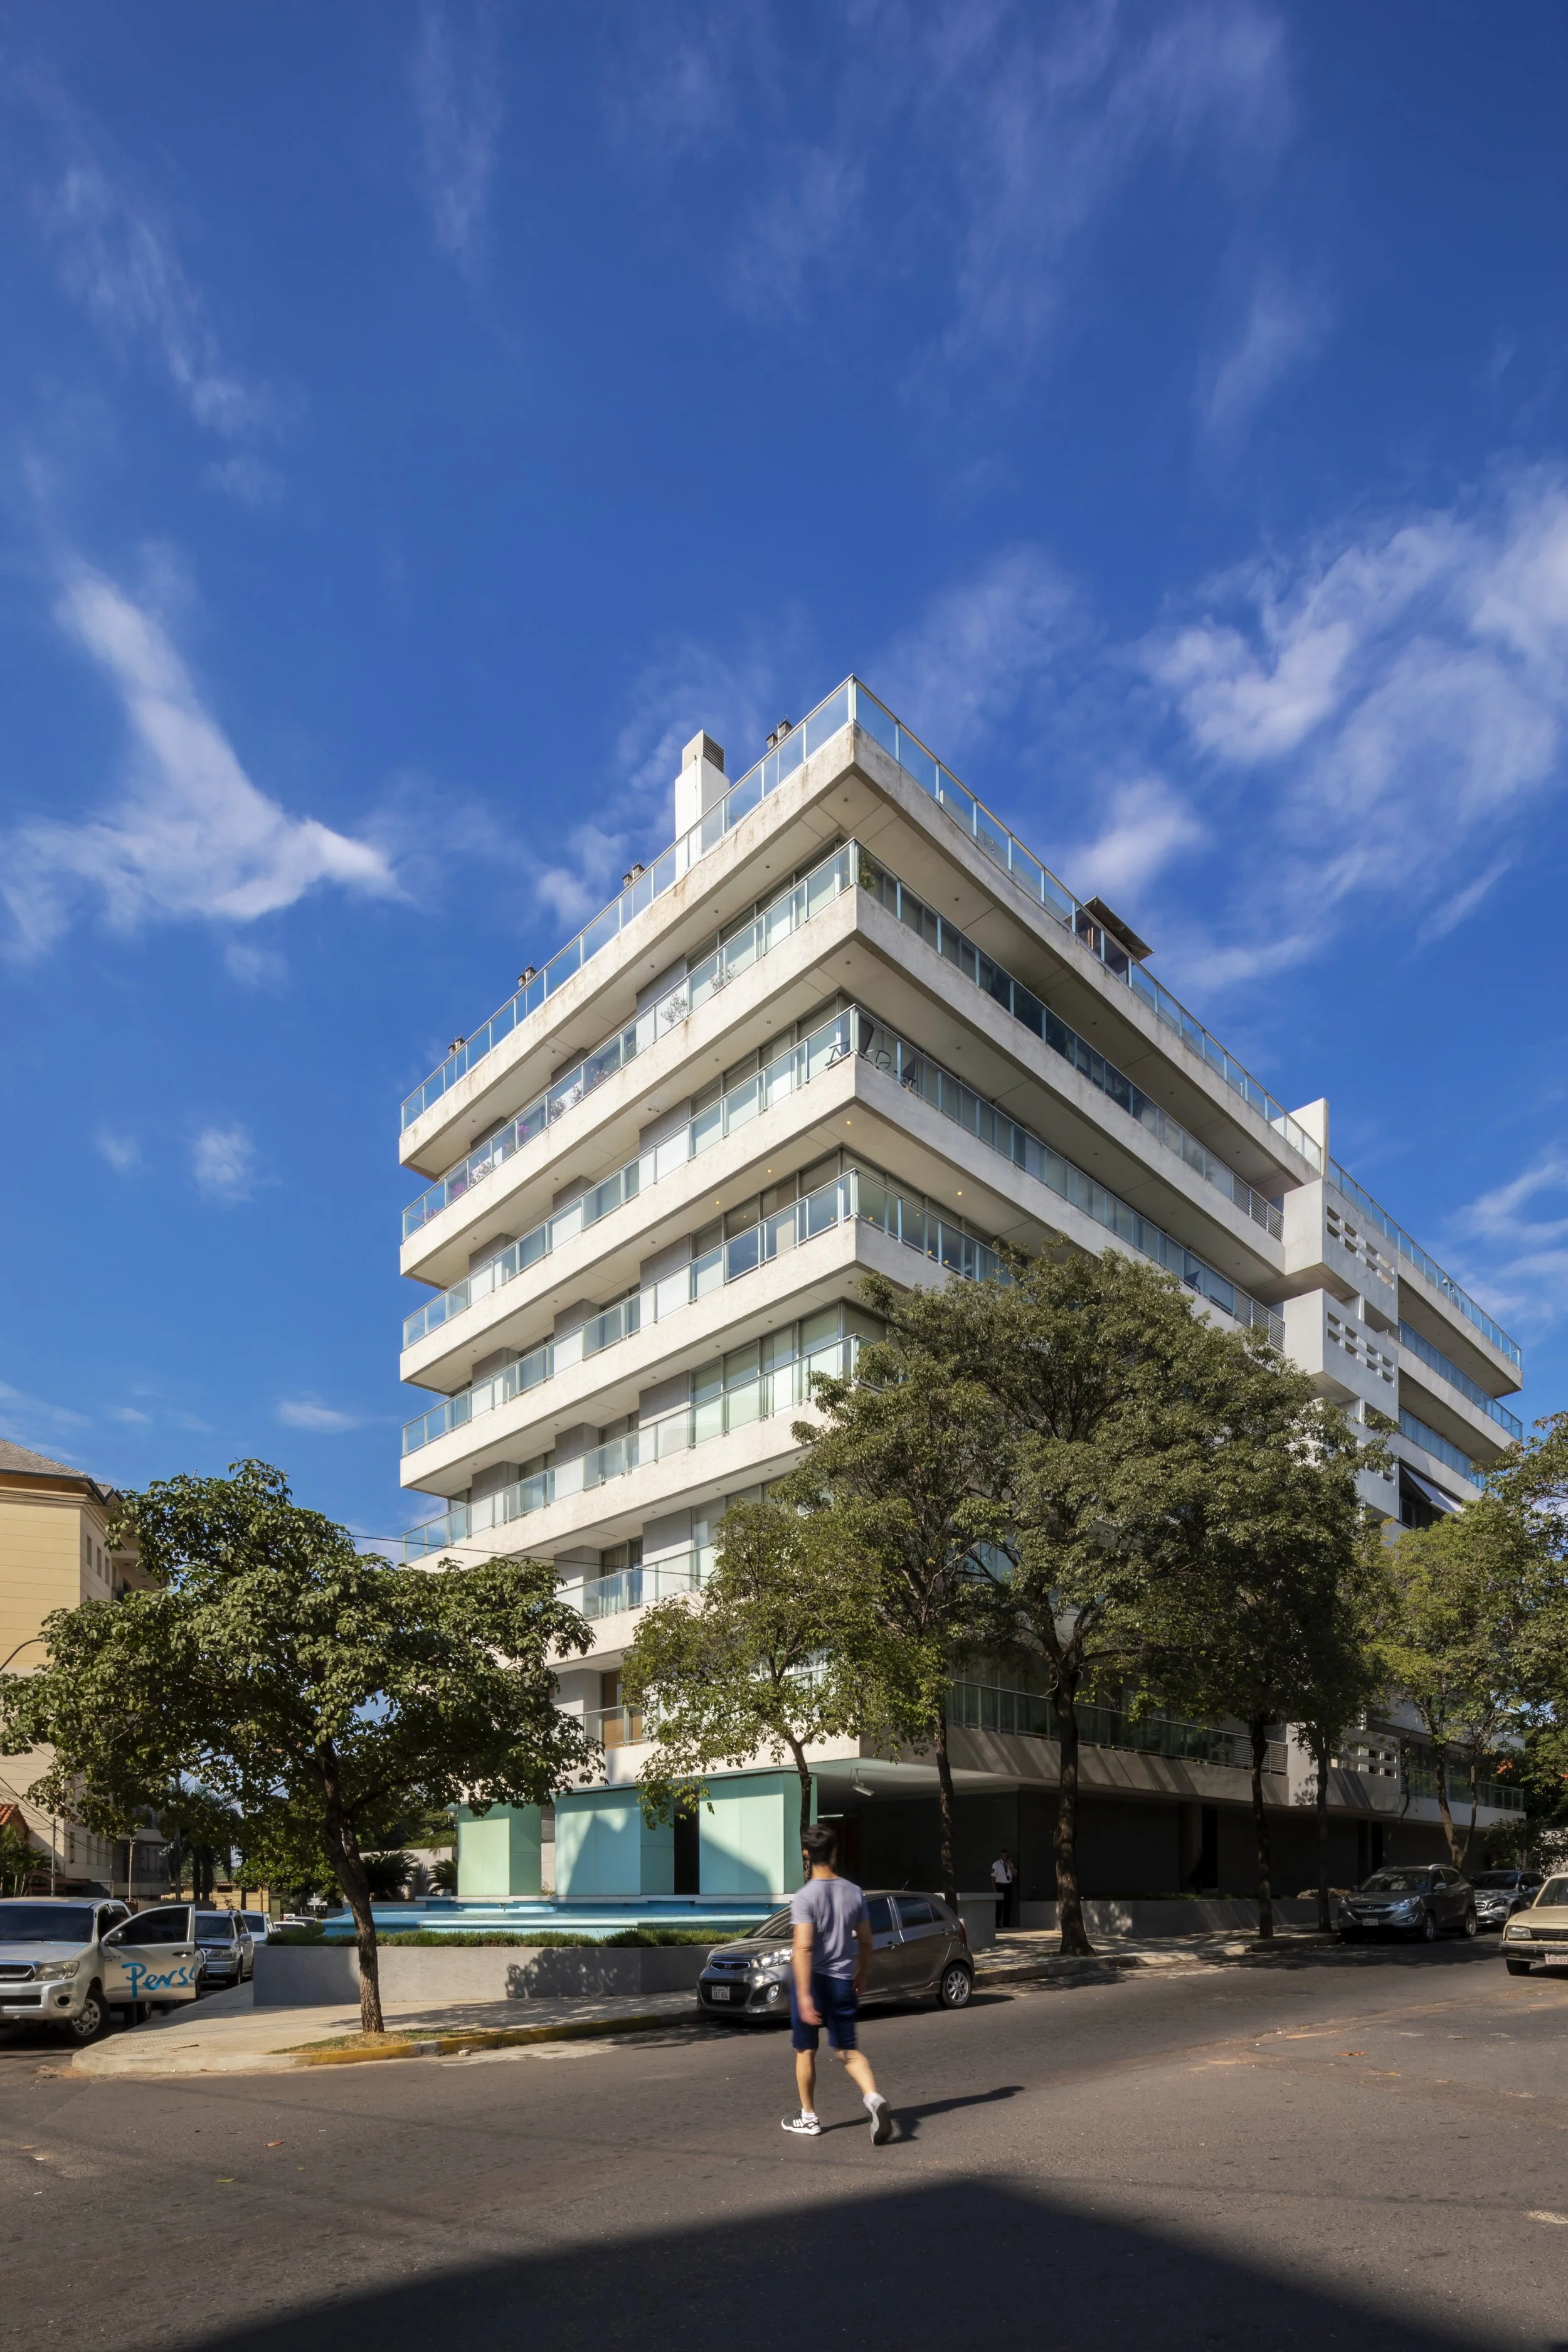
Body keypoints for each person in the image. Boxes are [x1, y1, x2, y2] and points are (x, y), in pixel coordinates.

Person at [781, 1823, 891, 2144]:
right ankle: (873, 2097)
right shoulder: (854, 1891)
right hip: (844, 1979)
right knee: (848, 2051)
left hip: (813, 1981)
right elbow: (868, 1941)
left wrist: (803, 1995)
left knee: (805, 2051)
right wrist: (862, 1973)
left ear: (806, 1855)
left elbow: (802, 1947)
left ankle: (810, 2118)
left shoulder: (804, 1897)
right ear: (834, 1852)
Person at [990, 1849, 1016, 1930]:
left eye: (1006, 1856)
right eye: (1003, 1856)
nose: (1004, 1858)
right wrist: (994, 1888)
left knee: (1008, 1906)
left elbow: (1015, 1874)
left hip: (1008, 1886)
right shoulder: (996, 1864)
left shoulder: (1010, 1864)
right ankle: (997, 1923)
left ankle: (1006, 1924)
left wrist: (1010, 1865)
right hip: (1000, 1886)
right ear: (1000, 1856)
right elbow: (993, 1876)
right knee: (999, 1906)